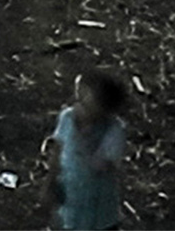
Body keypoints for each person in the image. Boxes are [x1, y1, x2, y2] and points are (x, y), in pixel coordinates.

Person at [47, 69, 132, 231]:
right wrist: (50, 182)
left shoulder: (114, 130)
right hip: (69, 195)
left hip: (98, 207)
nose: (77, 108)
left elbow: (99, 166)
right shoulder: (67, 117)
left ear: (105, 110)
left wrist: (81, 135)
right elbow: (58, 149)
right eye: (77, 100)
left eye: (85, 105)